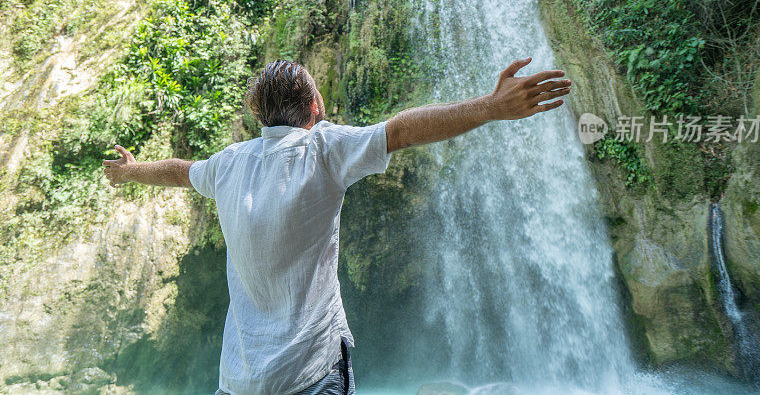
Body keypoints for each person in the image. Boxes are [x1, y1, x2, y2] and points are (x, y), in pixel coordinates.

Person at [102, 57, 571, 395]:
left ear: (257, 114)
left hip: (239, 379)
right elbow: (401, 130)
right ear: (315, 106)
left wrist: (131, 171)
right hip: (312, 373)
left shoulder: (227, 164)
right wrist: (489, 107)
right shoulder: (323, 150)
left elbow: (180, 171)